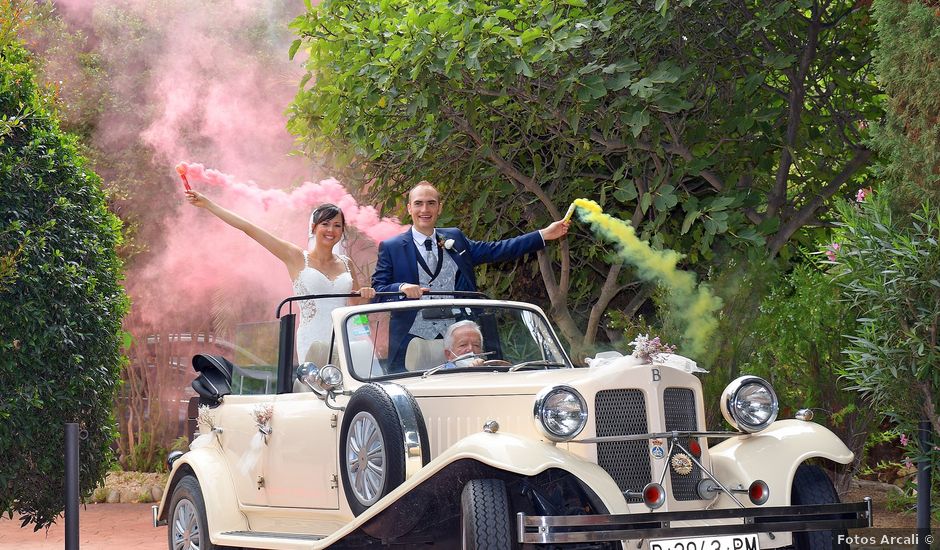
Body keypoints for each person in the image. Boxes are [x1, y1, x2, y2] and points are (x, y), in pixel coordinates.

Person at [372, 181, 569, 371]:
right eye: (418, 203)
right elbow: (377, 291)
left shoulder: (455, 238)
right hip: (411, 341)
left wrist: (543, 235)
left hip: (458, 340)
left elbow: (496, 250)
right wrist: (400, 288)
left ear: (439, 208)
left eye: (431, 203)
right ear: (409, 208)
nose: (425, 209)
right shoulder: (392, 247)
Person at [185, 191, 375, 365]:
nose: (330, 230)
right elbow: (248, 228)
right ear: (313, 227)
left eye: (337, 225)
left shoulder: (346, 263)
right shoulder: (296, 257)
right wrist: (209, 204)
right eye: (325, 224)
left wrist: (364, 298)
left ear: (342, 231)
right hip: (314, 338)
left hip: (347, 337)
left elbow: (356, 308)